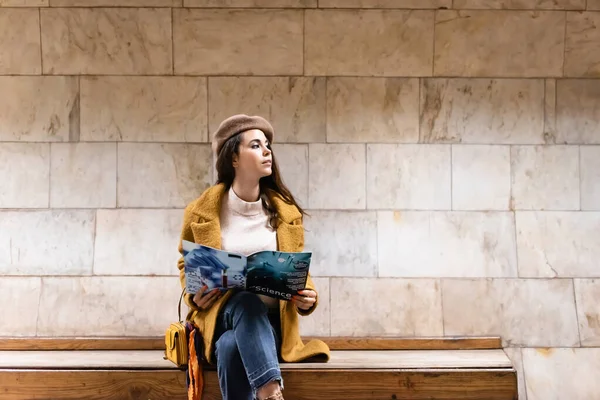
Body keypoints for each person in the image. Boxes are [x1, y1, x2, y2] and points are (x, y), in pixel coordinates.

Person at [176, 114, 330, 400]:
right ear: (234, 158)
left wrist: (308, 296)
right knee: (244, 301)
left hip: (271, 325)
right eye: (256, 145)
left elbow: (295, 270)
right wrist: (193, 296)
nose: (267, 151)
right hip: (221, 316)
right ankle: (272, 393)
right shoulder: (201, 212)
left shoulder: (285, 213)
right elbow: (187, 264)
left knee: (230, 348)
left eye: (267, 145)